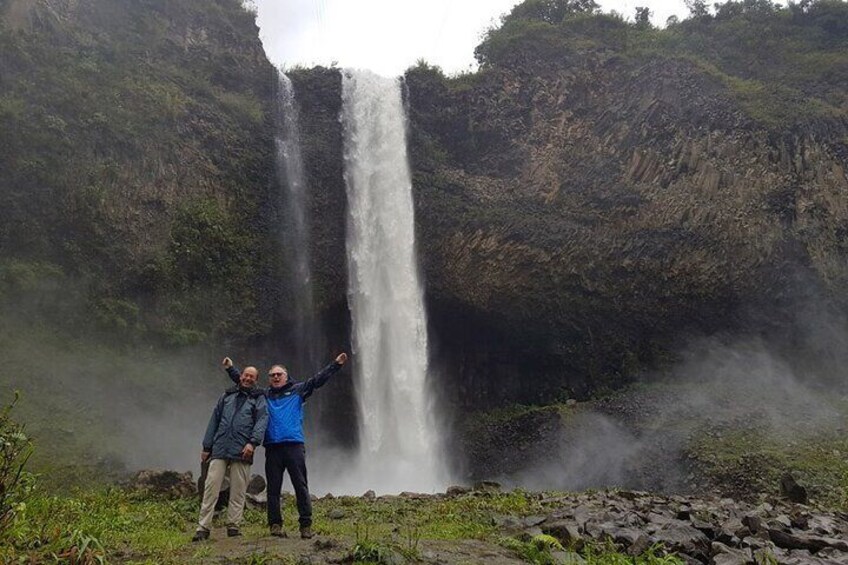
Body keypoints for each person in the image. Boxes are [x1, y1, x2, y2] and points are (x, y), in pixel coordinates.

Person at [223, 352, 348, 539]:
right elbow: (246, 384)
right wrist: (230, 369)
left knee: (300, 485)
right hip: (273, 447)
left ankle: (305, 525)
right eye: (272, 375)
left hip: (294, 446)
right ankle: (275, 525)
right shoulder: (264, 395)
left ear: (286, 376)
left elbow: (318, 380)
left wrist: (336, 364)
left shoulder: (298, 390)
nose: (275, 377)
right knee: (273, 489)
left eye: (278, 374)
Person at [192, 365, 268, 542]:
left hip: (243, 450)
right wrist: (206, 446)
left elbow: (261, 421)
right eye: (245, 375)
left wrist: (252, 443)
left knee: (239, 490)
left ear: (256, 380)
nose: (248, 378)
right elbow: (214, 420)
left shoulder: (259, 399)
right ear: (240, 376)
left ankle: (234, 525)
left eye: (252, 377)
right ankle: (203, 527)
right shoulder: (227, 396)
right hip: (220, 448)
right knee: (211, 487)